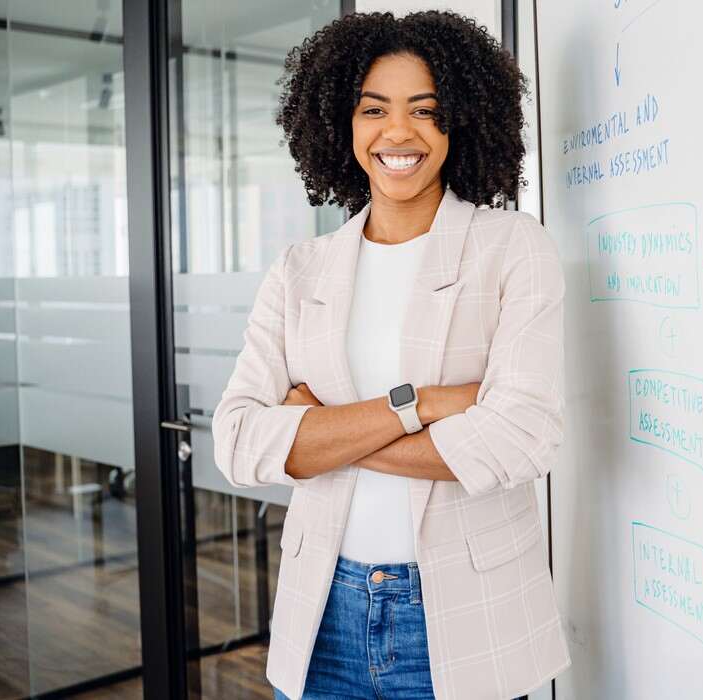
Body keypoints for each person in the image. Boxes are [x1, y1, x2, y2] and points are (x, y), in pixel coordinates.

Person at [212, 10, 569, 700]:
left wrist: (322, 430)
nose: (397, 133)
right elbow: (236, 440)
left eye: (425, 112)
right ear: (341, 124)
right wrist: (423, 407)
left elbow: (521, 439)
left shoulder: (512, 248)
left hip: (464, 617)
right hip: (325, 618)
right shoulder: (300, 269)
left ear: (459, 123)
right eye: (373, 109)